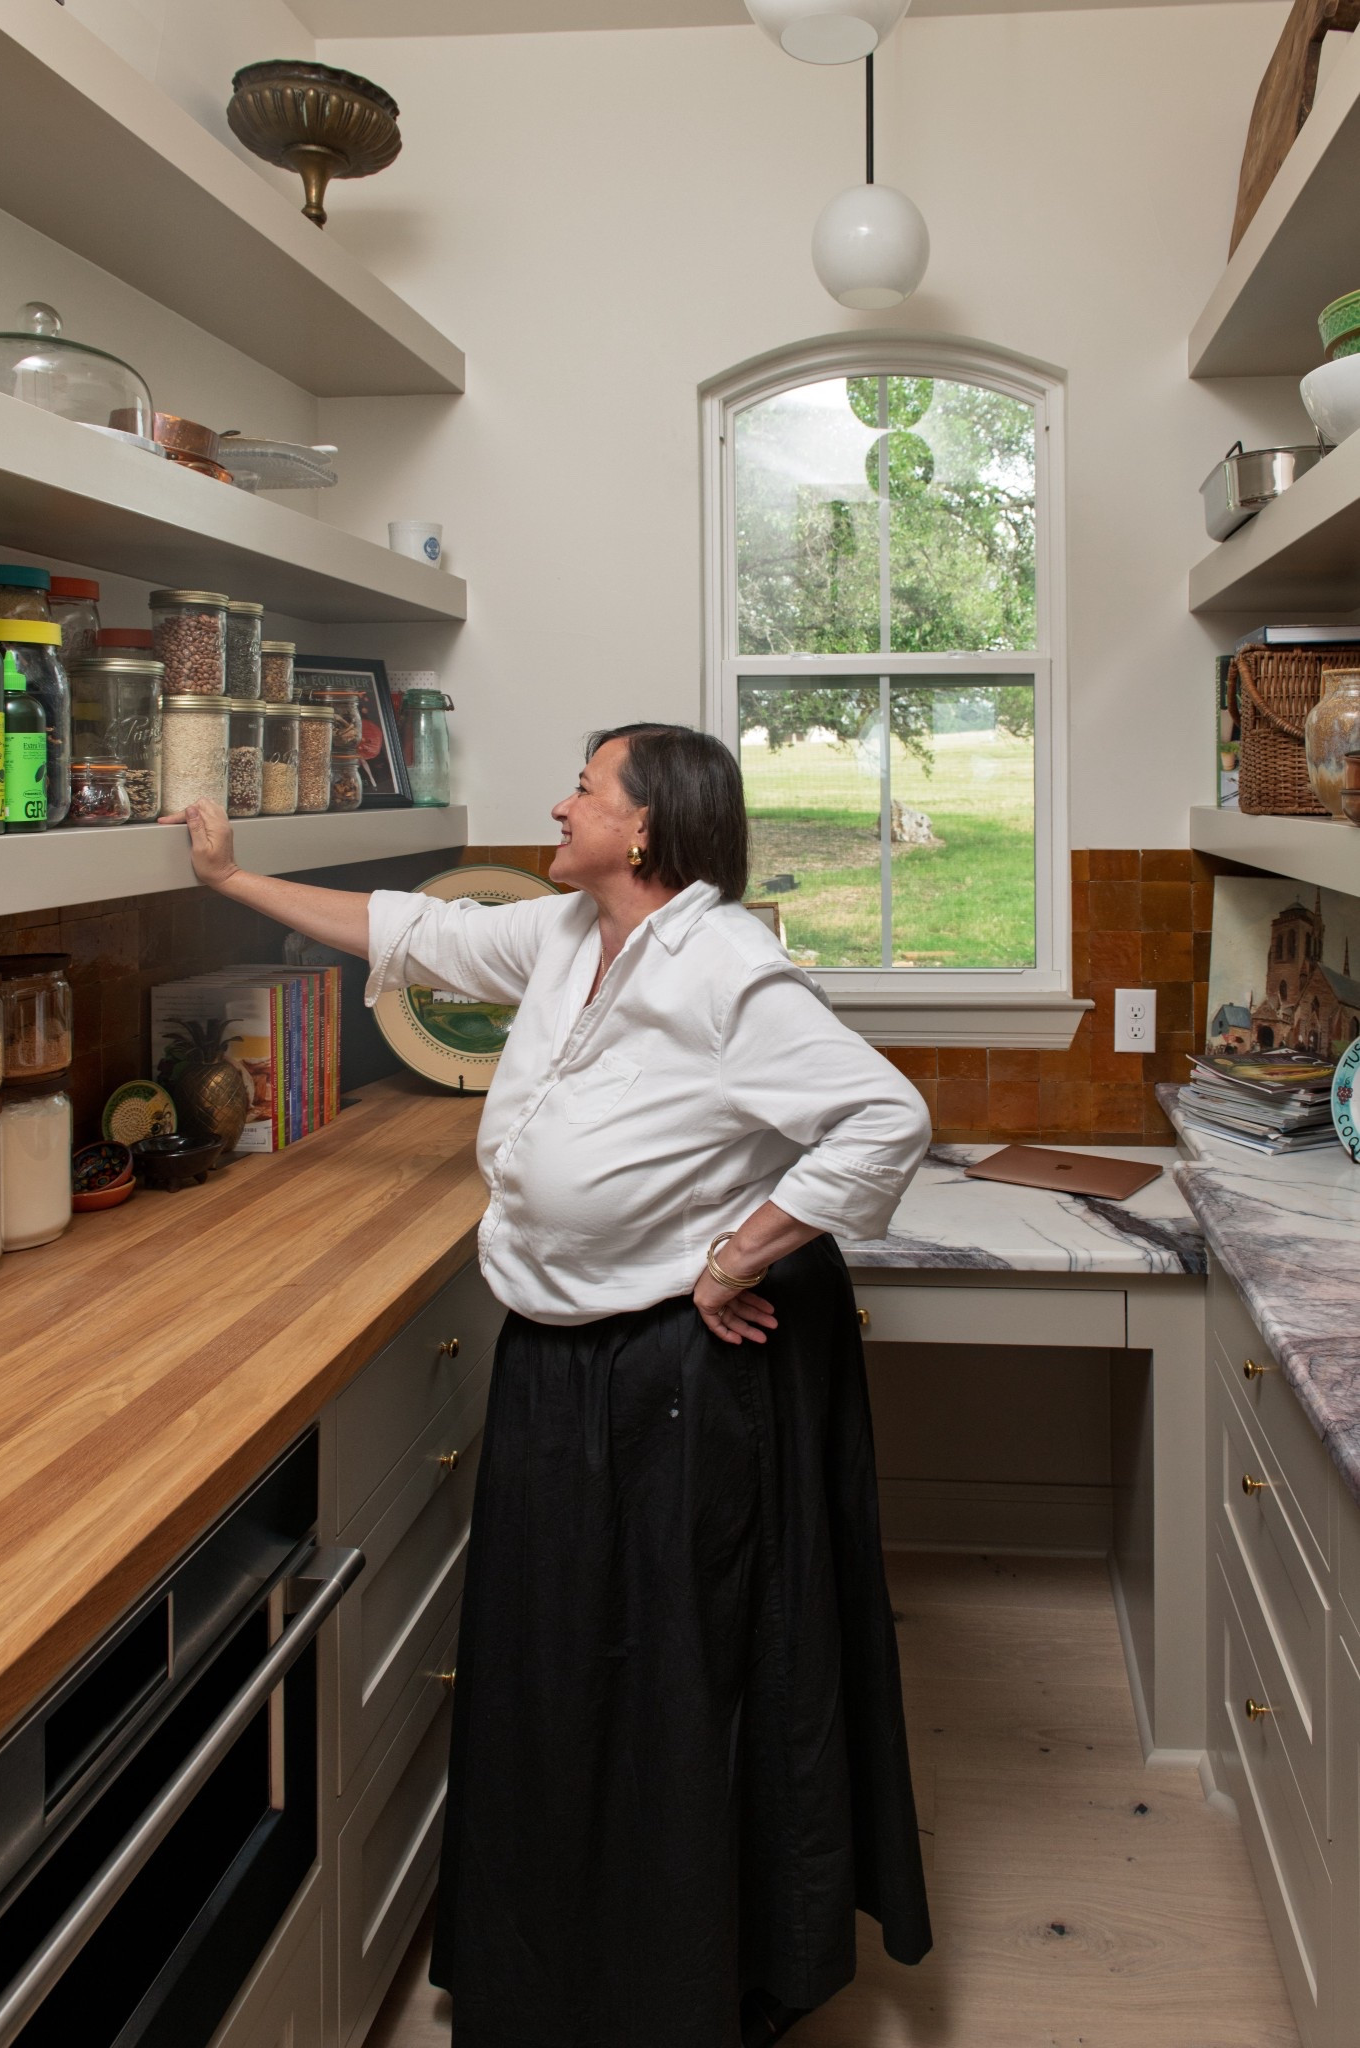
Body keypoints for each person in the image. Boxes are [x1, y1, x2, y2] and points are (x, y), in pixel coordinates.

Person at [168, 721, 933, 2048]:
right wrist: (232, 882)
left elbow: (883, 1119)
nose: (558, 804)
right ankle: (559, 1969)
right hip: (558, 1361)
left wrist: (734, 1257)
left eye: (583, 788)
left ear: (644, 827)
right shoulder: (565, 936)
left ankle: (678, 1984)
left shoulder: (725, 968)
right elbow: (403, 932)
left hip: (673, 1377)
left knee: (665, 1682)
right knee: (560, 1671)